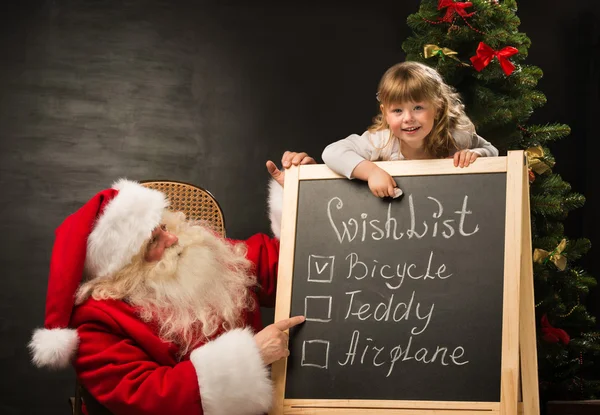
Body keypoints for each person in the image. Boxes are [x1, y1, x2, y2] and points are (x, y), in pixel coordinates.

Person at [28, 151, 315, 415]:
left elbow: (287, 267)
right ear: (124, 268)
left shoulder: (202, 252)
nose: (173, 238)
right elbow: (146, 397)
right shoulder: (95, 323)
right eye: (155, 240)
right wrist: (249, 358)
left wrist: (303, 197)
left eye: (163, 226)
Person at [322, 61, 499, 198]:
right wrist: (372, 172)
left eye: (418, 108)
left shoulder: (455, 137)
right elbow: (332, 152)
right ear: (385, 113)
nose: (408, 118)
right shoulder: (382, 141)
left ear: (437, 108)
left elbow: (492, 150)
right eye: (397, 111)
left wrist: (477, 154)